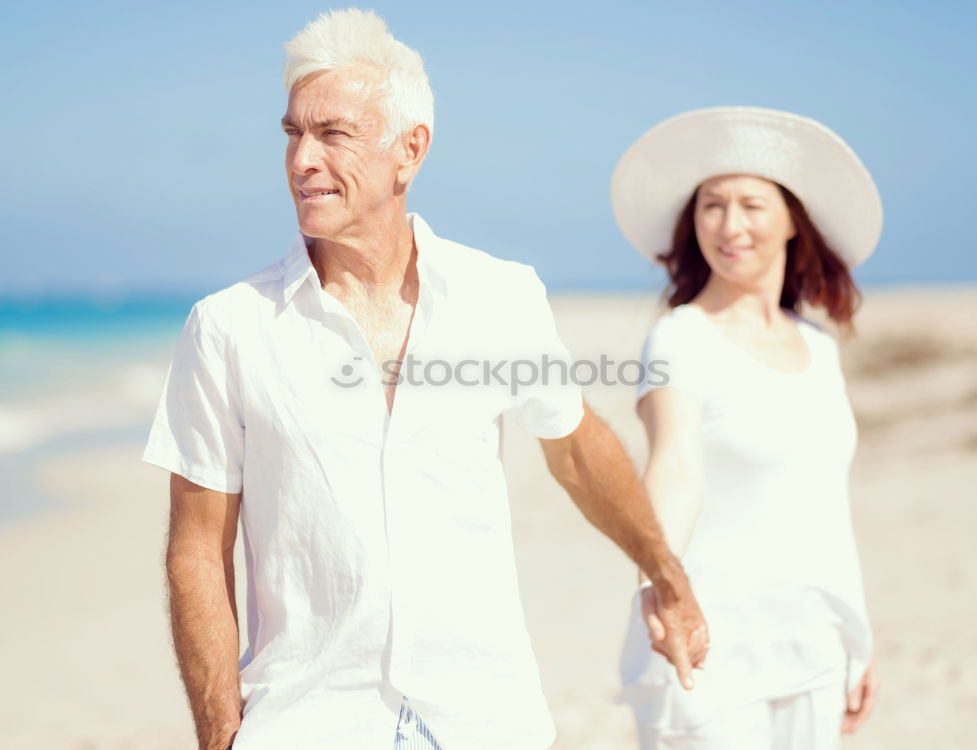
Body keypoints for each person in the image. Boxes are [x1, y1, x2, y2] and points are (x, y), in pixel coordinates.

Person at [143, 10, 707, 750]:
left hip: (481, 716)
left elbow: (574, 447)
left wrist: (663, 569)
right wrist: (220, 736)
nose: (302, 160)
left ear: (409, 151)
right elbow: (197, 549)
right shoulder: (227, 328)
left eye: (332, 133)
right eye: (292, 134)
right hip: (309, 722)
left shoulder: (498, 296)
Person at [609, 106, 881, 749]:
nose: (730, 226)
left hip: (812, 645)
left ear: (793, 219)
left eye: (752, 205)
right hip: (706, 648)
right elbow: (674, 468)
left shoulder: (820, 348)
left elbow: (824, 509)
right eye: (711, 205)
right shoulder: (680, 338)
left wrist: (858, 635)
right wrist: (658, 584)